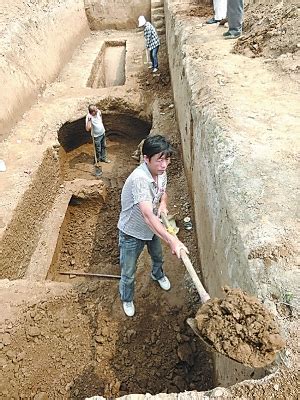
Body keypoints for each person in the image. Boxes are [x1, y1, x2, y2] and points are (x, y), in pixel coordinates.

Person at [117, 135, 189, 317]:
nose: (164, 165)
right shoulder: (140, 179)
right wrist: (172, 240)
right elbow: (148, 216)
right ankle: (127, 298)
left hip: (152, 229)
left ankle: (157, 274)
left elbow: (162, 193)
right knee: (128, 272)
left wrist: (163, 204)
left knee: (158, 256)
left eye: (167, 159)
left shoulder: (160, 173)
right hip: (132, 232)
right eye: (159, 160)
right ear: (146, 159)